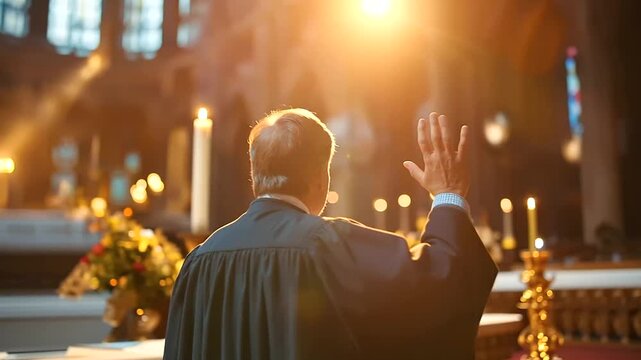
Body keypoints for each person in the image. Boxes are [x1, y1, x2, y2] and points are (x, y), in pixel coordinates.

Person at [164, 109, 497, 359]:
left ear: (255, 176)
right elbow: (443, 282)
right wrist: (448, 195)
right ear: (320, 178)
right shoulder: (326, 245)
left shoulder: (200, 260)